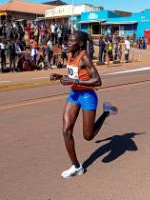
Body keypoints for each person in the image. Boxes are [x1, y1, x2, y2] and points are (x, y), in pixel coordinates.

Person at [49, 31, 118, 179]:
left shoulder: (84, 57)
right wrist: (61, 77)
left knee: (88, 136)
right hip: (74, 95)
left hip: (87, 96)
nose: (67, 42)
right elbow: (75, 76)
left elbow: (98, 81)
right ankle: (77, 167)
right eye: (67, 39)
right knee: (66, 131)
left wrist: (74, 82)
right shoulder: (71, 55)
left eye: (71, 40)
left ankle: (106, 112)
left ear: (80, 44)